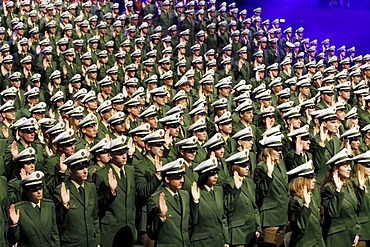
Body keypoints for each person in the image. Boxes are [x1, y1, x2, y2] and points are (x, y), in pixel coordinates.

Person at [94, 136, 137, 247]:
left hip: (128, 229)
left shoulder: (130, 170)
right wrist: (111, 192)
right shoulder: (101, 174)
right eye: (119, 153)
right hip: (111, 230)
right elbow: (96, 204)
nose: (124, 156)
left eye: (125, 152)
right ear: (110, 155)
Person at [53, 149, 100, 247]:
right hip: (73, 243)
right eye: (81, 168)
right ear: (71, 170)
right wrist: (64, 205)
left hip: (91, 242)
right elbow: (58, 221)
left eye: (86, 167)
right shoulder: (61, 190)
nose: (85, 171)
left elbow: (94, 217)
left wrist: (97, 240)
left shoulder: (91, 187)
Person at [146, 158, 198, 247]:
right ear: (167, 179)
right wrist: (161, 216)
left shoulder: (185, 195)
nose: (182, 180)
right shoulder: (156, 199)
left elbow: (191, 222)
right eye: (178, 177)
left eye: (182, 176)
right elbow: (152, 233)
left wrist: (195, 202)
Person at [7, 171, 60, 246]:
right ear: (27, 192)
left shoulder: (49, 205)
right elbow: (12, 240)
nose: (39, 192)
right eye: (34, 189)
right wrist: (14, 225)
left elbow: (54, 234)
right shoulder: (19, 209)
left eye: (40, 188)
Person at [254, 135, 289, 247]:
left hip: (282, 215)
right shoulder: (261, 167)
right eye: (276, 149)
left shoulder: (280, 164)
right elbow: (261, 192)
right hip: (270, 217)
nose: (279, 152)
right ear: (268, 151)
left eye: (280, 149)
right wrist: (268, 175)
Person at [321, 148, 360, 247]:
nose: (349, 169)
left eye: (349, 166)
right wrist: (338, 191)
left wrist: (357, 231)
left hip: (350, 235)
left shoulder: (348, 185)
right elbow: (333, 212)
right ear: (336, 169)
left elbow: (354, 211)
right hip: (337, 238)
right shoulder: (329, 188)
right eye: (346, 166)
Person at [223, 150, 261, 247]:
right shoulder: (228, 184)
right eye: (243, 165)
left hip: (251, 231)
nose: (247, 167)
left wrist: (258, 227)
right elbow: (227, 206)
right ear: (235, 167)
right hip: (237, 232)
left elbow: (254, 206)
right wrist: (236, 189)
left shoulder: (249, 182)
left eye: (247, 164)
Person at [191, 157, 230, 246]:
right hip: (204, 242)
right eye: (212, 174)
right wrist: (195, 202)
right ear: (204, 175)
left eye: (216, 173)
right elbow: (193, 220)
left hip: (218, 239)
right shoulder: (197, 192)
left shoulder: (219, 190)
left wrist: (226, 239)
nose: (216, 176)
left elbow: (222, 218)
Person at [287, 160, 325, 247]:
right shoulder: (295, 201)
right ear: (301, 180)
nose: (314, 180)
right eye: (310, 177)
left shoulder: (311, 196)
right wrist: (306, 206)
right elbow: (300, 227)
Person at [351, 151, 370, 247]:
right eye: (368, 165)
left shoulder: (368, 181)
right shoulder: (354, 183)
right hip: (362, 230)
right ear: (360, 167)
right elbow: (356, 207)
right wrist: (361, 189)